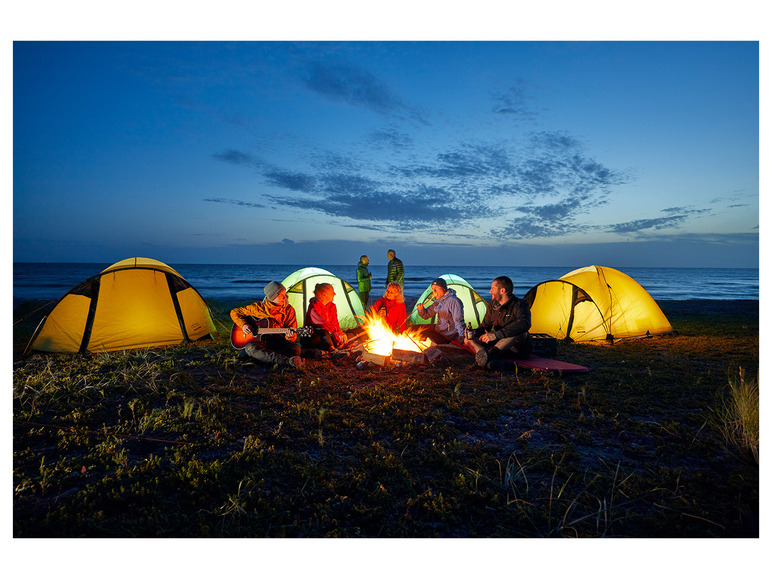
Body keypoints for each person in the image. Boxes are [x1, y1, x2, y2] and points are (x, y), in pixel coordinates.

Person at [230, 281, 303, 368]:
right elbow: (235, 312)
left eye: (285, 294)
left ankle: (263, 358)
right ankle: (287, 362)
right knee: (250, 348)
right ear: (273, 297)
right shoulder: (257, 308)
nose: (286, 297)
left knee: (295, 348)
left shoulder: (289, 310)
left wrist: (290, 336)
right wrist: (244, 324)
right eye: (282, 295)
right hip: (260, 343)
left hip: (277, 342)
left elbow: (291, 338)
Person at [465, 275, 532, 367]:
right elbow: (485, 326)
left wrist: (496, 335)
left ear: (503, 291)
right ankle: (483, 356)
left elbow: (525, 323)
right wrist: (474, 332)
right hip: (497, 344)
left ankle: (490, 356)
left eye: (492, 288)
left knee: (518, 331)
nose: (490, 291)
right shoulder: (492, 306)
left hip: (517, 348)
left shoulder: (519, 305)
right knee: (468, 339)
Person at [414, 278, 465, 345]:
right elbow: (426, 315)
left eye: (437, 288)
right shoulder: (438, 301)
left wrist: (462, 337)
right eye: (432, 289)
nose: (434, 291)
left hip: (447, 335)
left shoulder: (453, 301)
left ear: (444, 289)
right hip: (439, 330)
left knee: (422, 334)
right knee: (414, 329)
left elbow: (459, 321)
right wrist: (421, 310)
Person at [301, 282, 349, 354]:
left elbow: (335, 324)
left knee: (345, 337)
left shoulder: (332, 306)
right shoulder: (313, 307)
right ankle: (333, 352)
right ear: (324, 294)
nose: (334, 294)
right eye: (332, 292)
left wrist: (339, 335)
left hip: (324, 338)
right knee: (322, 331)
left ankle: (333, 347)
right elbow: (322, 323)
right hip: (310, 337)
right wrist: (337, 333)